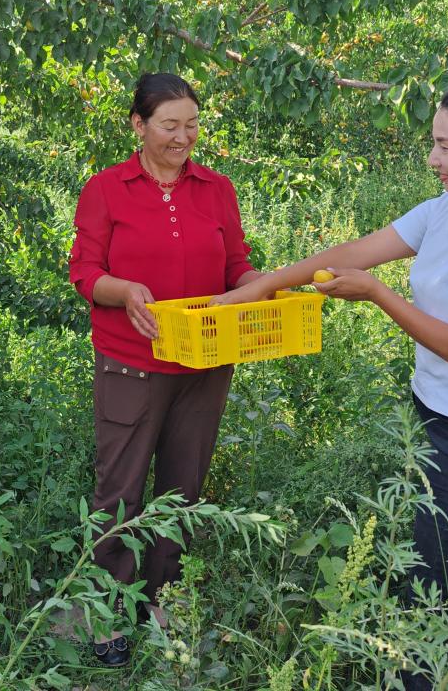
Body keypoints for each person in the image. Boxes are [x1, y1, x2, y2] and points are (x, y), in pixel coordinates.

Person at [215, 78, 448, 681]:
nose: (432, 159)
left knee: (434, 590)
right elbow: (354, 252)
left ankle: (434, 676)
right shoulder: (445, 213)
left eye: (445, 146)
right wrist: (265, 284)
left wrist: (377, 294)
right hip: (443, 420)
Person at [68, 72, 262, 667]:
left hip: (205, 362)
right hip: (131, 364)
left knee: (183, 489)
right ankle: (105, 606)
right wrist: (125, 290)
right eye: (170, 125)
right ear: (139, 125)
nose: (183, 137)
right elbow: (85, 273)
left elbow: (236, 265)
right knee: (119, 490)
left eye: (192, 125)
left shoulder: (217, 189)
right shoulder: (106, 189)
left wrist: (262, 285)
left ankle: (162, 600)